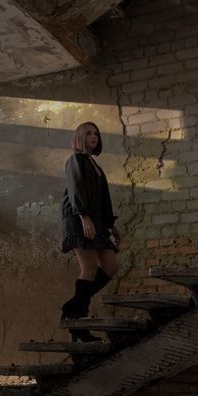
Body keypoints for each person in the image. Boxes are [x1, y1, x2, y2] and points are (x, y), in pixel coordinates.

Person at [60, 122, 122, 341]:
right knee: (89, 269)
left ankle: (72, 307)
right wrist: (84, 217)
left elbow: (104, 200)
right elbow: (76, 188)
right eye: (88, 133)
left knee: (111, 266)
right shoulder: (75, 160)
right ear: (80, 137)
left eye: (96, 133)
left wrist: (111, 226)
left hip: (95, 221)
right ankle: (78, 322)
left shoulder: (94, 165)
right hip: (79, 219)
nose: (94, 136)